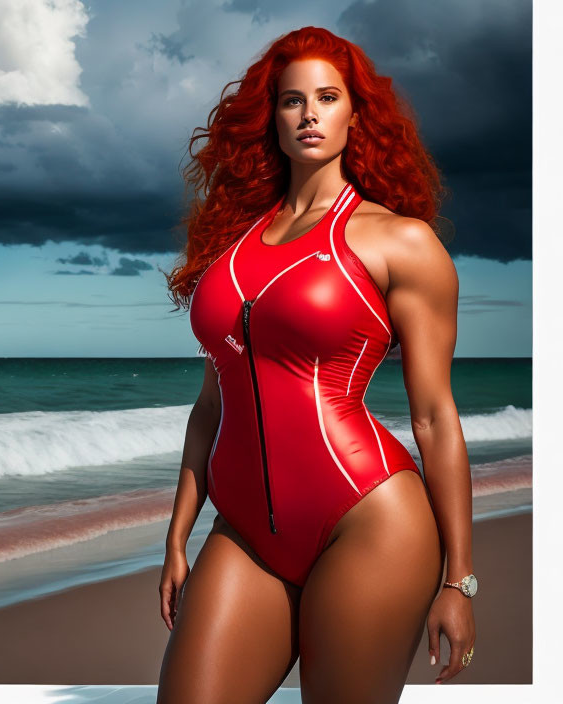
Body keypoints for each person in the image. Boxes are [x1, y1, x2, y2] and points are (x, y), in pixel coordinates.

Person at [158, 26, 476, 703]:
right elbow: (212, 404)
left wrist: (459, 580)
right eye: (292, 100)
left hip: (369, 521)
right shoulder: (231, 247)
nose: (309, 115)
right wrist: (178, 535)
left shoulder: (400, 243)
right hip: (241, 531)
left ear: (355, 114)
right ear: (270, 117)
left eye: (327, 98)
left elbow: (434, 416)